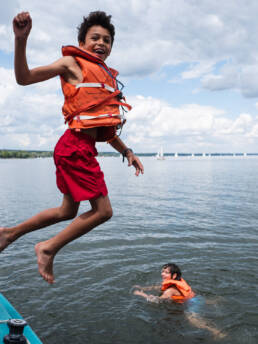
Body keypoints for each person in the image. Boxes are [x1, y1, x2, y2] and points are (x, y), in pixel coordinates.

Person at [0, 11, 144, 284]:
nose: (101, 43)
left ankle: (9, 233)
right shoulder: (72, 63)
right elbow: (24, 77)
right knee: (103, 211)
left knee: (67, 211)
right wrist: (21, 40)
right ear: (81, 41)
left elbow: (105, 129)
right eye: (95, 38)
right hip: (74, 147)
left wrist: (127, 152)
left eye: (107, 40)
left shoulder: (104, 77)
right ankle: (47, 247)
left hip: (78, 147)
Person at [133, 263, 225, 339]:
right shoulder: (175, 282)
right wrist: (143, 288)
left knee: (192, 319)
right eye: (162, 271)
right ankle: (215, 301)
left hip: (192, 303)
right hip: (198, 297)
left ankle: (216, 331)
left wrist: (141, 294)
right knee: (200, 302)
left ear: (174, 275)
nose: (162, 274)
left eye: (166, 272)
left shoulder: (170, 290)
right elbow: (159, 287)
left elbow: (155, 300)